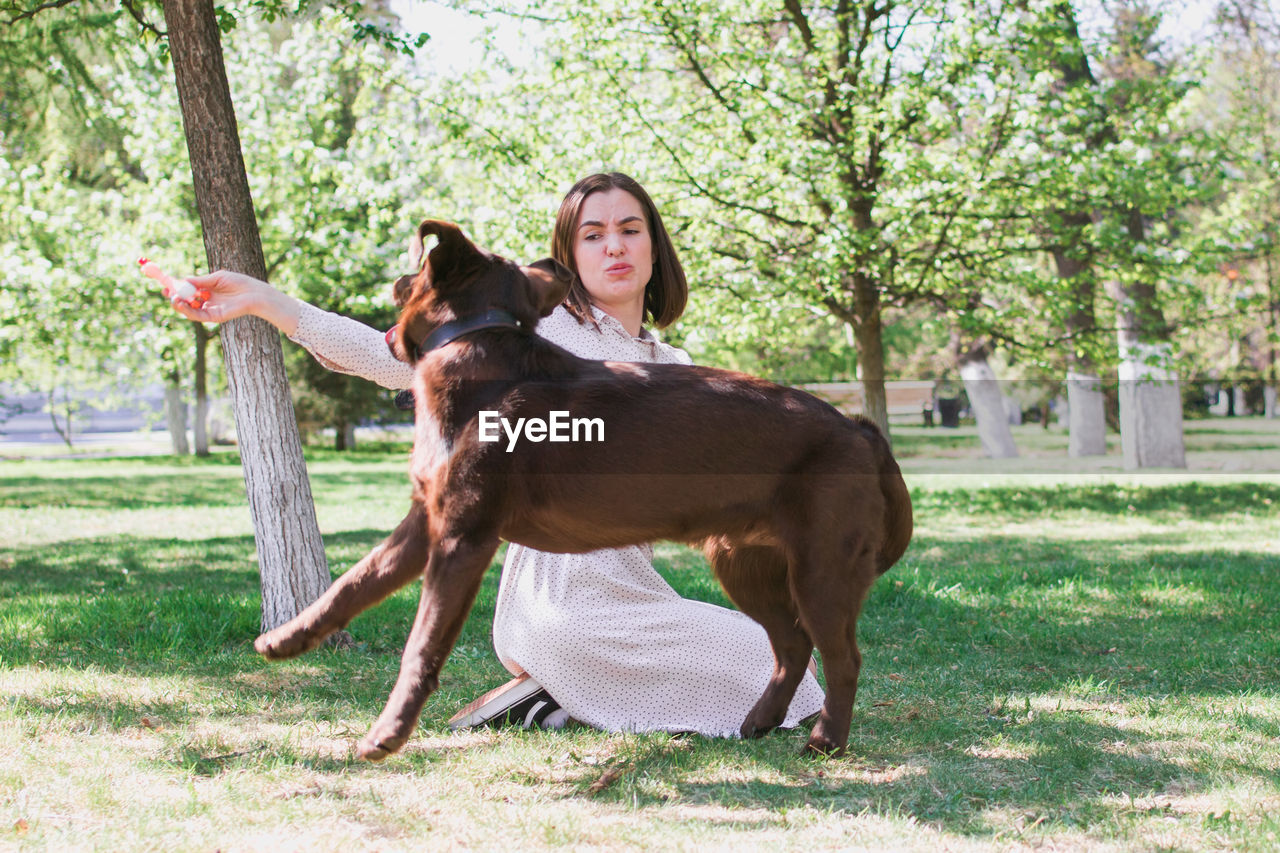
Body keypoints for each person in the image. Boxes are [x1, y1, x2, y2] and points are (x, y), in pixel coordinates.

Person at [172, 172, 825, 737]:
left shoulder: (677, 367)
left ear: (655, 246)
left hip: (638, 598)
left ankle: (552, 702)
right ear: (569, 253)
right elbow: (390, 357)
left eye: (629, 229)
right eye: (592, 235)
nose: (614, 245)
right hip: (557, 608)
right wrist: (271, 303)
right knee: (764, 680)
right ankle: (560, 687)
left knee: (782, 672)